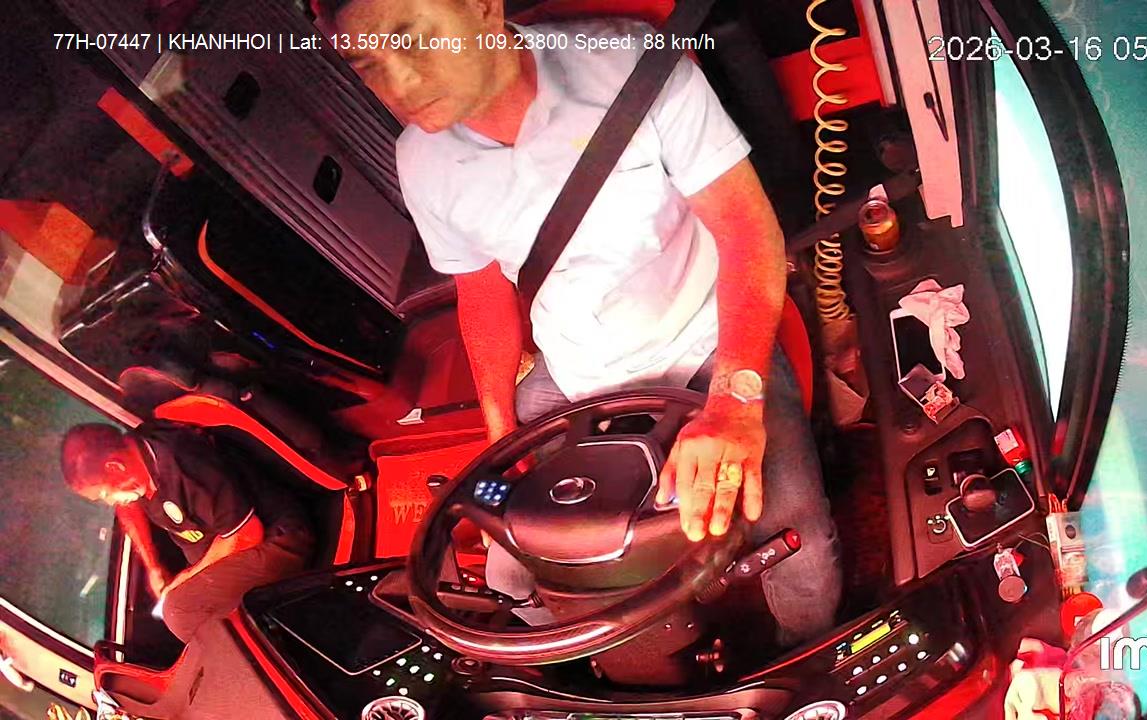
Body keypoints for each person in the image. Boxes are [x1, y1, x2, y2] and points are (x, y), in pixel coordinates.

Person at [316, 0, 841, 645]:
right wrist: (498, 432)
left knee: (799, 544)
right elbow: (481, 295)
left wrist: (735, 404)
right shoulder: (420, 160)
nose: (398, 81)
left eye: (413, 38)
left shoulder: (636, 65)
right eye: (367, 62)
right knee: (517, 564)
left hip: (707, 341)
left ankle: (806, 658)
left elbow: (748, 233)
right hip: (572, 371)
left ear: (483, 8)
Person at [60, 423, 313, 642]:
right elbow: (128, 509)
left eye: (106, 494)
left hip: (277, 537)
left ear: (115, 466)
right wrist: (153, 566)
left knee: (180, 614)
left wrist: (188, 578)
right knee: (183, 605)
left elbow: (246, 534)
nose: (111, 502)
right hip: (225, 553)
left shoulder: (182, 465)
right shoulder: (135, 459)